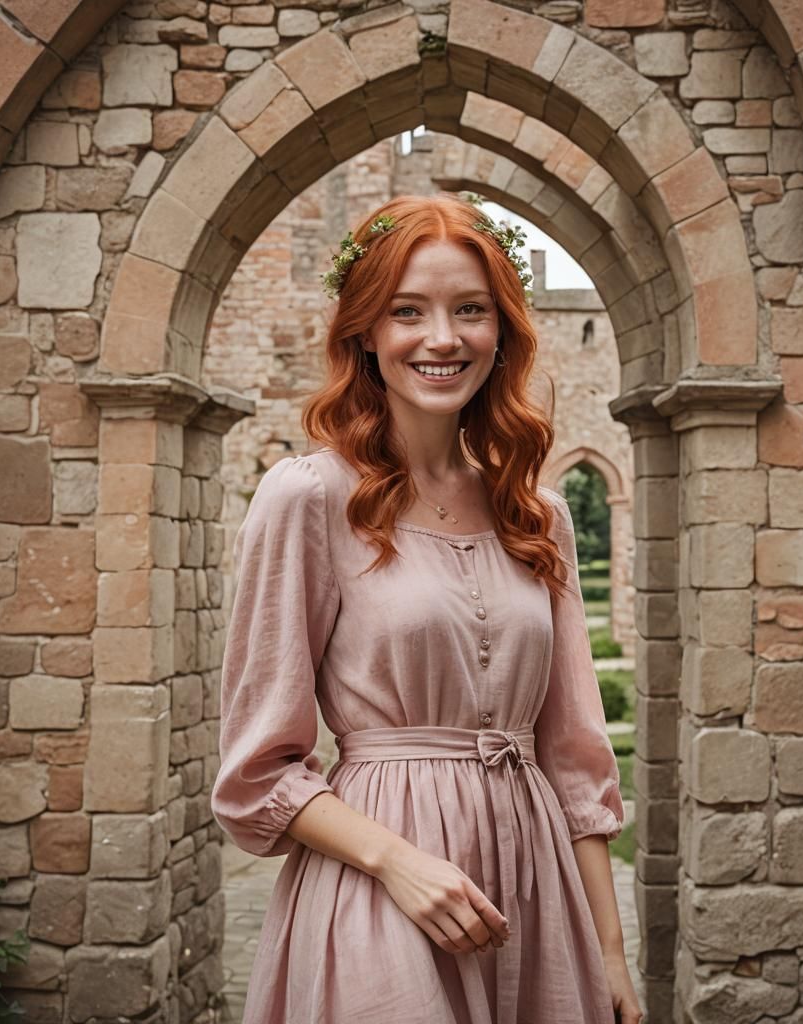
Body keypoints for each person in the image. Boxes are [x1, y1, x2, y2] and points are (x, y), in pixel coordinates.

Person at [211, 193, 644, 1024]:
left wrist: (611, 954)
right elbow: (257, 771)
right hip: (380, 887)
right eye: (407, 311)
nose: (442, 338)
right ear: (366, 333)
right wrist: (399, 863)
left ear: (501, 331)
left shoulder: (537, 514)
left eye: (469, 311)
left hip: (536, 892)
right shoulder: (308, 497)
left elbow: (578, 759)